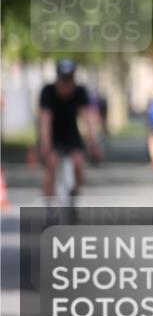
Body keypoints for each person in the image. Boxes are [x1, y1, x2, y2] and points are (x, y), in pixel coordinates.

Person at [38, 59, 101, 207]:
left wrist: (93, 143)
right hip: (52, 133)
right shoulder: (48, 92)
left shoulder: (80, 91)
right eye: (63, 81)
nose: (66, 85)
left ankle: (73, 195)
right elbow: (45, 120)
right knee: (52, 165)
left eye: (70, 80)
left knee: (78, 163)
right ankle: (48, 204)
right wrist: (46, 147)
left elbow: (88, 118)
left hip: (71, 133)